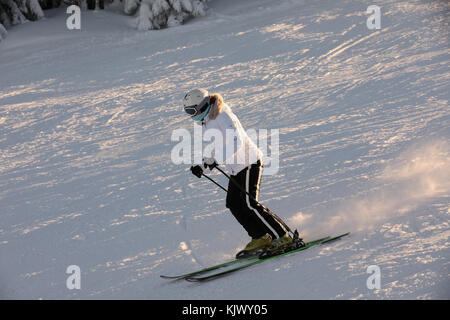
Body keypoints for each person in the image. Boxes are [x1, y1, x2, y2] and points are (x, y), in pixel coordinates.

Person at [183, 88, 294, 258]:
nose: (191, 115)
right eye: (187, 112)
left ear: (203, 105)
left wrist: (216, 160)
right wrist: (202, 163)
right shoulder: (208, 120)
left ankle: (283, 236)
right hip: (237, 167)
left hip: (249, 162)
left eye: (191, 111)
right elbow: (218, 146)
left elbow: (237, 141)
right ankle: (261, 237)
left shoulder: (221, 115)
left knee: (249, 203)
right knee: (234, 203)